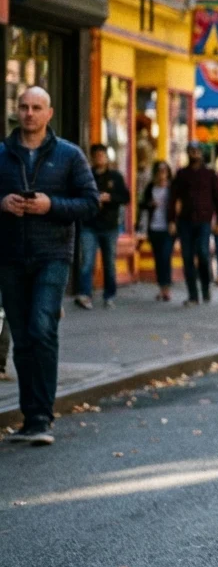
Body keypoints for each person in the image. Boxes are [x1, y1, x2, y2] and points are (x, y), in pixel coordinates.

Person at [0, 87, 100, 445]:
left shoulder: (69, 155)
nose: (29, 113)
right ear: (17, 111)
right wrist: (3, 203)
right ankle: (31, 417)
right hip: (10, 256)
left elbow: (90, 203)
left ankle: (42, 416)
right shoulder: (2, 154)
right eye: (24, 107)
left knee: (42, 326)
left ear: (49, 113)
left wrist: (50, 205)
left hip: (53, 255)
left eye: (36, 108)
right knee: (23, 337)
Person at [75, 144, 130, 310]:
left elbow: (125, 197)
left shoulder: (115, 176)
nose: (99, 158)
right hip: (89, 224)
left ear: (107, 157)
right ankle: (85, 294)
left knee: (109, 262)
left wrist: (110, 197)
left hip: (109, 225)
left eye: (102, 155)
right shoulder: (87, 176)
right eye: (96, 155)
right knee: (87, 261)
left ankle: (109, 295)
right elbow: (78, 195)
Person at [170, 144, 218, 306]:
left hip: (204, 221)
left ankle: (205, 287)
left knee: (203, 254)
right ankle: (193, 294)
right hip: (185, 221)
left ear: (201, 153)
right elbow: (173, 199)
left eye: (197, 151)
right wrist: (171, 220)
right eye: (192, 152)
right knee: (187, 258)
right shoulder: (181, 174)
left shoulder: (210, 174)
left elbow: (217, 198)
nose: (195, 154)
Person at [139, 161, 177, 301]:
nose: (162, 174)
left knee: (166, 256)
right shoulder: (150, 188)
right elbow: (142, 204)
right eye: (159, 171)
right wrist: (150, 204)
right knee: (158, 258)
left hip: (168, 228)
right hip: (154, 227)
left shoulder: (172, 188)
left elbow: (177, 206)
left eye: (164, 171)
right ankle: (161, 287)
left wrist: (174, 221)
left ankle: (167, 288)